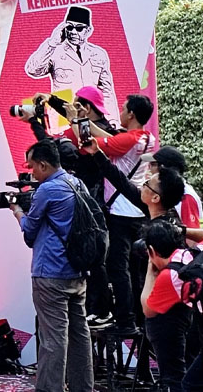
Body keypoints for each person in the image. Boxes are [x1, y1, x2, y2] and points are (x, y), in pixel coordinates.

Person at [10, 139, 93, 392]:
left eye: (32, 166)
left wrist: (18, 211)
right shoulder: (78, 184)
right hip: (77, 272)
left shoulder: (47, 190)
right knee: (80, 335)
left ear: (44, 165)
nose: (31, 172)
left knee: (53, 338)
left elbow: (29, 232)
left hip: (50, 274)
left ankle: (49, 389)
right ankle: (83, 387)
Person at [71, 93, 155, 336]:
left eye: (123, 107)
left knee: (118, 269)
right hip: (136, 211)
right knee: (135, 269)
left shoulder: (127, 140)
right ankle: (137, 318)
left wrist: (79, 120)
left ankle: (125, 320)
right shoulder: (145, 137)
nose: (119, 110)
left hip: (120, 213)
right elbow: (108, 137)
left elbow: (89, 144)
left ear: (131, 114)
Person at [24, 5, 117, 117]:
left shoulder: (98, 54)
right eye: (69, 27)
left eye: (79, 28)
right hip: (62, 117)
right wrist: (52, 42)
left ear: (88, 30)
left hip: (91, 118)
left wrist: (113, 121)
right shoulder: (54, 51)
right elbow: (32, 70)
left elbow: (107, 92)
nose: (73, 32)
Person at [139, 219, 194, 392]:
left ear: (151, 250)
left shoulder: (170, 275)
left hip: (177, 326)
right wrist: (181, 230)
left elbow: (148, 309)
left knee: (178, 379)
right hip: (193, 322)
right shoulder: (191, 254)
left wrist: (150, 271)